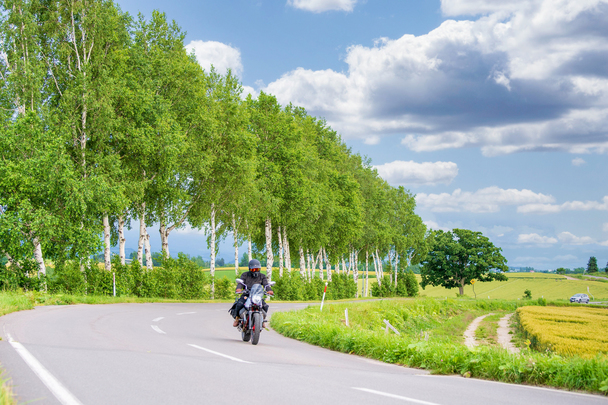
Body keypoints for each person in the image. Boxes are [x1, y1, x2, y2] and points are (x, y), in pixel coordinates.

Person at [232, 259, 274, 328]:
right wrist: (239, 288)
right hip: (247, 294)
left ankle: (262, 320)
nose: (255, 271)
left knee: (265, 306)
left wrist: (269, 290)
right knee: (239, 304)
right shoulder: (245, 275)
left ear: (259, 269)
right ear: (250, 269)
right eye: (253, 269)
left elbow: (266, 285)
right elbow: (241, 283)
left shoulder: (262, 276)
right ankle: (237, 318)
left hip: (257, 295)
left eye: (257, 269)